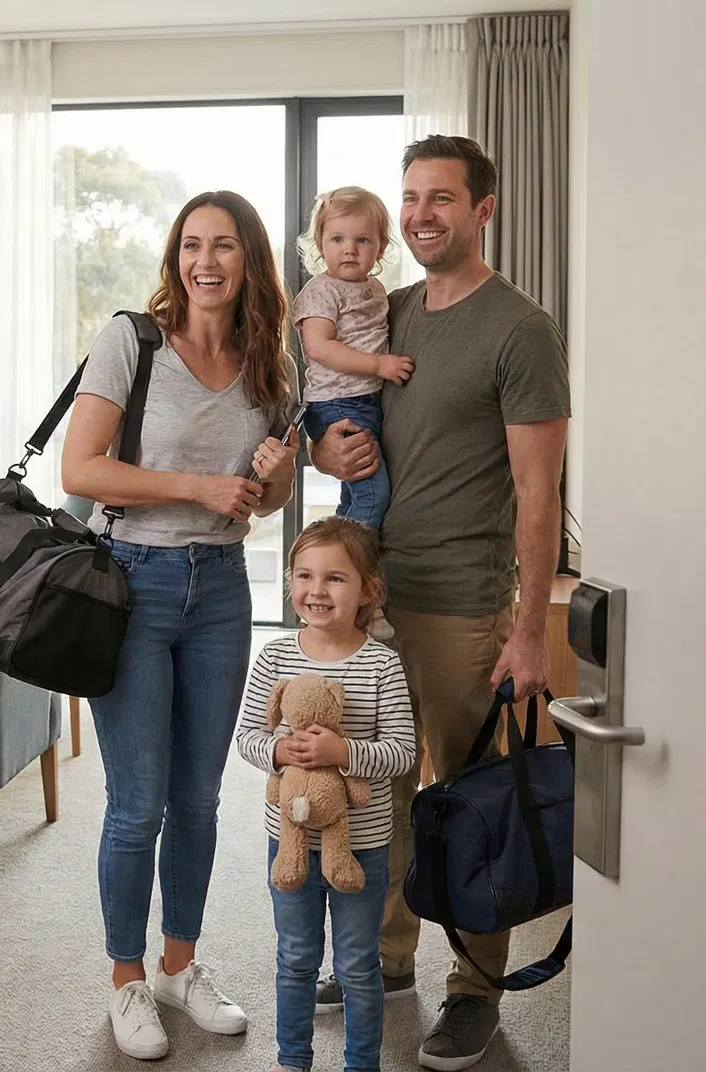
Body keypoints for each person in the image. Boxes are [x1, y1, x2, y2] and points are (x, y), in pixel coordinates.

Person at [308, 135, 570, 1071]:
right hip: (374, 598)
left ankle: (476, 990)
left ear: (484, 209)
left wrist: (529, 629)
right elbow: (341, 413)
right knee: (377, 790)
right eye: (410, 197)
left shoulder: (520, 329)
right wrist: (322, 454)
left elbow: (540, 494)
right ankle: (386, 961)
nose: (420, 214)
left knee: (465, 801)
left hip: (463, 601)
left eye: (442, 199)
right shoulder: (391, 311)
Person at [60, 189, 300, 1062]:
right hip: (131, 583)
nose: (207, 260)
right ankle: (126, 982)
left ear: (249, 262)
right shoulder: (134, 341)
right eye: (192, 244)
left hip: (223, 589)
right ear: (176, 258)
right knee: (137, 806)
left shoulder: (272, 360)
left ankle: (178, 966)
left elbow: (266, 504)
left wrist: (272, 474)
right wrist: (197, 488)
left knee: (199, 798)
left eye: (225, 246)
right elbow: (80, 469)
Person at [234, 517, 416, 1072]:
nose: (317, 590)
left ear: (368, 590)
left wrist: (344, 754)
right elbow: (247, 737)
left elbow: (404, 753)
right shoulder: (274, 657)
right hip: (287, 843)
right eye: (305, 575)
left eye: (336, 578)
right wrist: (280, 753)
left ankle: (362, 1063)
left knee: (359, 964)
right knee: (294, 958)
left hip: (361, 845)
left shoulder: (381, 662)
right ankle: (294, 1059)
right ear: (290, 582)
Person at [291, 186, 414, 534]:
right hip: (336, 404)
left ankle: (339, 548)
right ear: (320, 245)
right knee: (373, 494)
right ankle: (354, 560)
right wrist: (379, 365)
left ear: (381, 248)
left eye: (362, 240)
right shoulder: (321, 291)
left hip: (363, 402)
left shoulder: (375, 290)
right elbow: (319, 347)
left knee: (353, 492)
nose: (349, 249)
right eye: (337, 239)